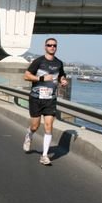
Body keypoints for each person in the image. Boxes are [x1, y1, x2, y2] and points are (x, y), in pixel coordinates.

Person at [23, 37, 68, 165]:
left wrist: (63, 80)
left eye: (54, 45)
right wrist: (42, 78)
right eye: (49, 45)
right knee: (35, 126)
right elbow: (26, 76)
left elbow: (61, 75)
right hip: (36, 98)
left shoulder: (59, 63)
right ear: (45, 47)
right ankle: (29, 135)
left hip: (50, 99)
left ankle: (44, 156)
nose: (52, 47)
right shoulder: (38, 61)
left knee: (49, 126)